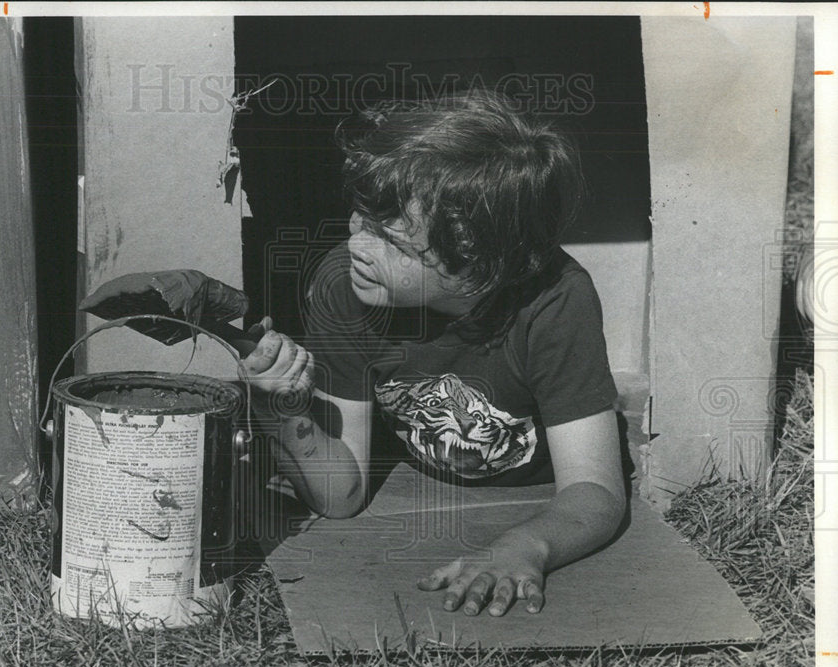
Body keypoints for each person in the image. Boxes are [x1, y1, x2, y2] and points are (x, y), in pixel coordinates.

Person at [245, 90, 626, 619]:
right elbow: (341, 497)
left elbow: (597, 492)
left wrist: (527, 546)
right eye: (359, 219)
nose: (357, 244)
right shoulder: (346, 284)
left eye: (389, 240)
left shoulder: (557, 300)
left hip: (535, 499)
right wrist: (281, 407)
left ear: (475, 254)